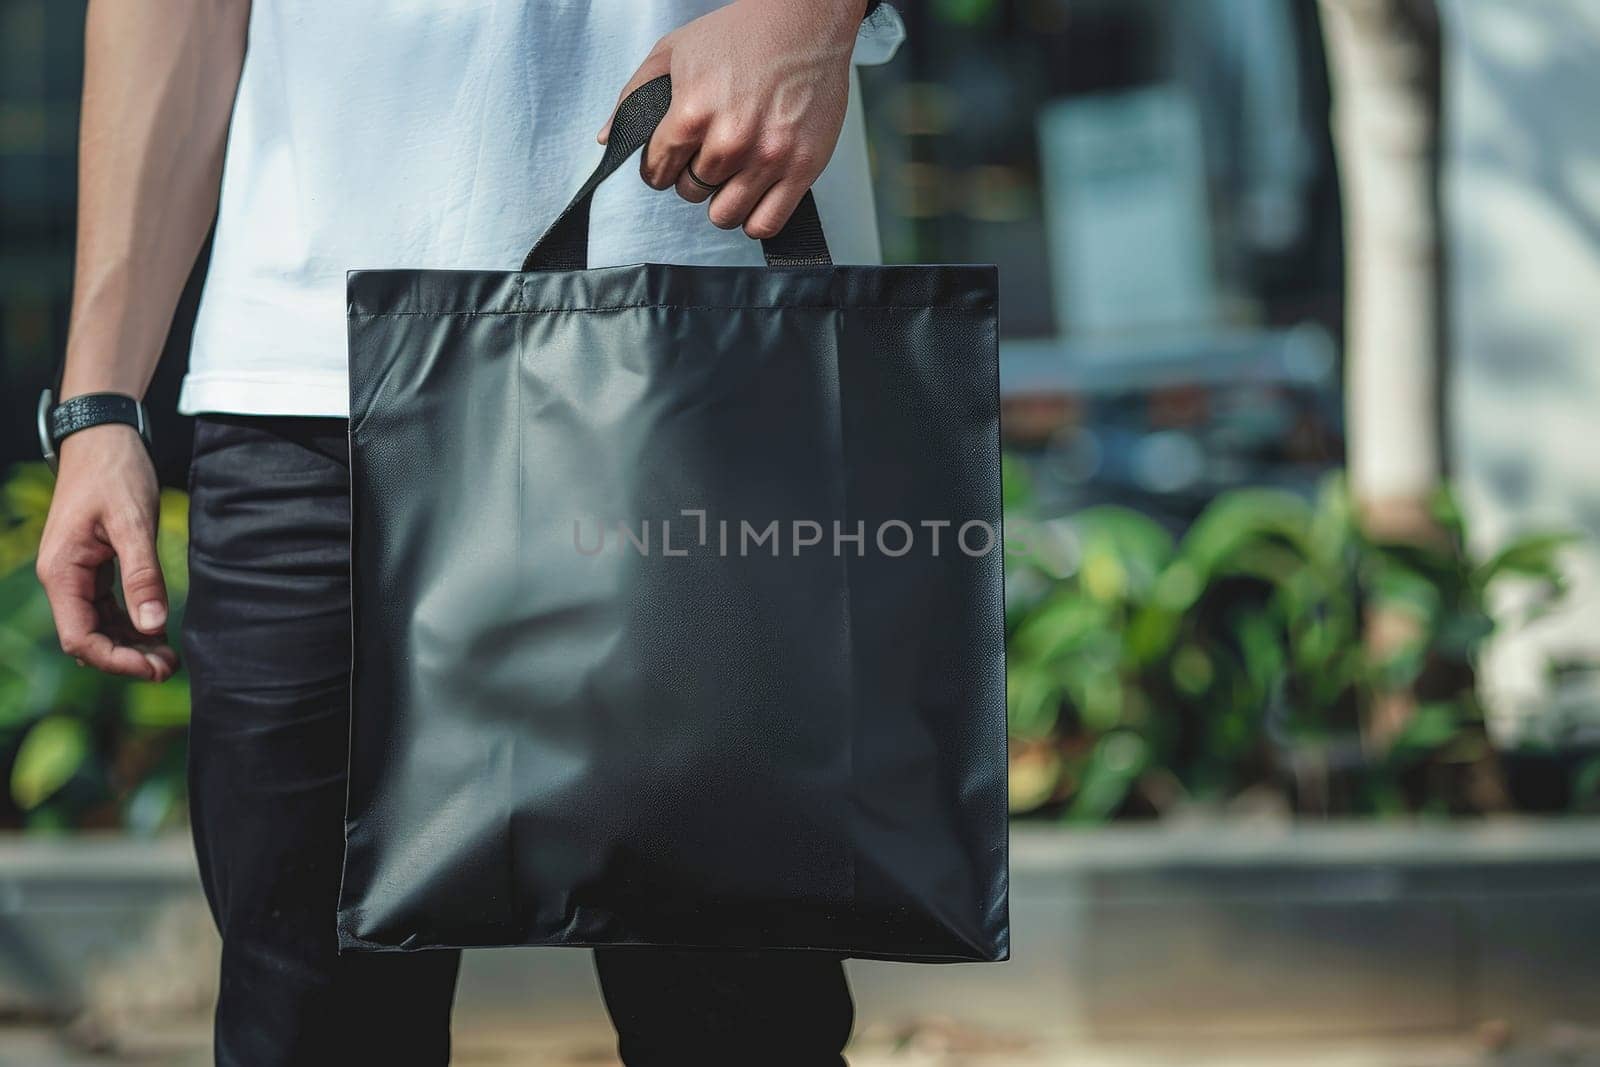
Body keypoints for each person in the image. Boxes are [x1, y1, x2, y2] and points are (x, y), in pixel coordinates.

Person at [33, 1, 901, 1063]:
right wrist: (99, 402)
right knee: (310, 1017)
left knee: (736, 1011)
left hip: (705, 331)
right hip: (309, 378)